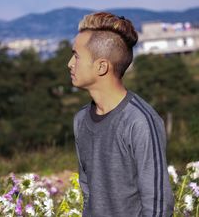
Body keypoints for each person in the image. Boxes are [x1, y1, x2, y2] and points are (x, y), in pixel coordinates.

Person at [68, 12, 174, 217]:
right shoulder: (81, 119)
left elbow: (158, 206)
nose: (70, 63)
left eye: (76, 56)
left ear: (102, 66)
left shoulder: (140, 121)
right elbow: (88, 192)